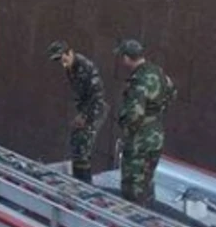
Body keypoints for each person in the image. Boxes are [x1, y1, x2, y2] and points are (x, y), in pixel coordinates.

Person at [115, 39, 177, 205]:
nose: (122, 61)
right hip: (156, 136)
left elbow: (135, 114)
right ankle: (147, 210)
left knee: (132, 187)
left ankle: (132, 222)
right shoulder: (158, 72)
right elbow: (172, 92)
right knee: (146, 181)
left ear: (127, 58)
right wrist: (156, 112)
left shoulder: (138, 80)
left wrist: (128, 132)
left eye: (122, 57)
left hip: (139, 140)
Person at [47, 40, 108, 183]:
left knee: (82, 149)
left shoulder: (84, 66)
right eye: (58, 60)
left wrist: (85, 116)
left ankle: (85, 183)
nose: (62, 63)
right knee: (76, 145)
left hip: (94, 111)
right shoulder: (71, 68)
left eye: (62, 58)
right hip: (85, 110)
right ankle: (78, 180)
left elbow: (97, 95)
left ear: (70, 53)